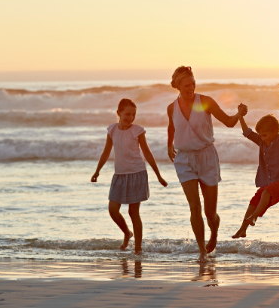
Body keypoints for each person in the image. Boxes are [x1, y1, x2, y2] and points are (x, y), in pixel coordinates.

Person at [167, 66, 246, 263]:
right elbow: (172, 125)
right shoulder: (172, 107)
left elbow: (228, 122)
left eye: (193, 83)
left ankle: (214, 234)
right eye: (186, 85)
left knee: (210, 213)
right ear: (177, 86)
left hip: (206, 157)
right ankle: (202, 251)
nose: (191, 87)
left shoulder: (205, 102)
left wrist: (239, 114)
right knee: (194, 206)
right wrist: (170, 144)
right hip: (184, 159)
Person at [91, 98, 168, 255]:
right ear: (118, 113)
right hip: (119, 175)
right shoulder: (112, 130)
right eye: (127, 114)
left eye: (134, 114)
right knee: (113, 210)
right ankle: (127, 233)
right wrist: (97, 171)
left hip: (136, 174)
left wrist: (158, 175)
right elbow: (106, 152)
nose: (130, 118)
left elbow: (147, 152)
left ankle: (138, 249)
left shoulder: (137, 131)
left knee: (134, 213)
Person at [231, 98, 279, 239]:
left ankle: (253, 218)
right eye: (260, 135)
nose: (262, 138)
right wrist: (240, 116)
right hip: (270, 184)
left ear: (275, 131)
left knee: (265, 192)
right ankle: (242, 229)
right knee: (254, 200)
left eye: (265, 135)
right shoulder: (262, 141)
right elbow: (247, 132)